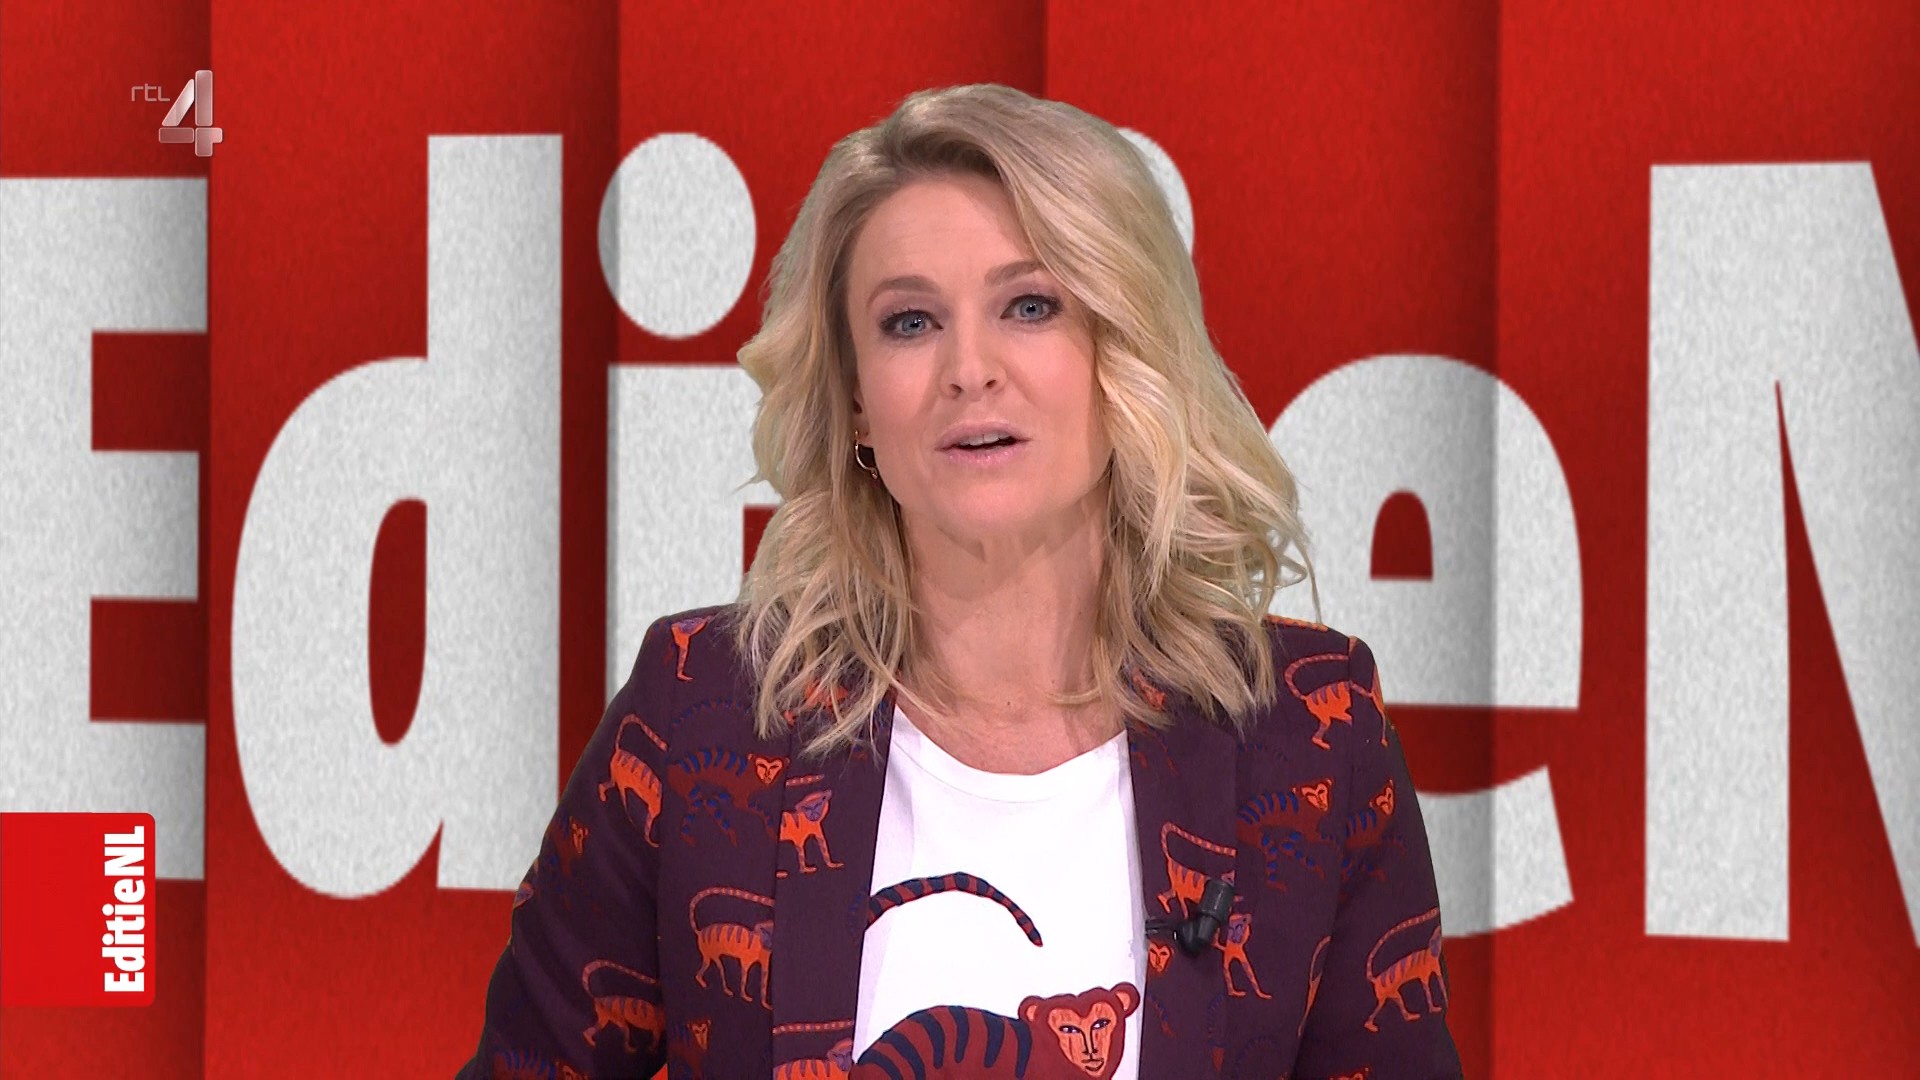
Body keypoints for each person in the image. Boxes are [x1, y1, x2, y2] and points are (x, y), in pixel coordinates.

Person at [459, 82, 1461, 1080]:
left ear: (1121, 354)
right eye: (909, 322)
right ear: (857, 400)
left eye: (1030, 306)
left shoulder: (1309, 733)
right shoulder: (702, 708)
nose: (969, 368)